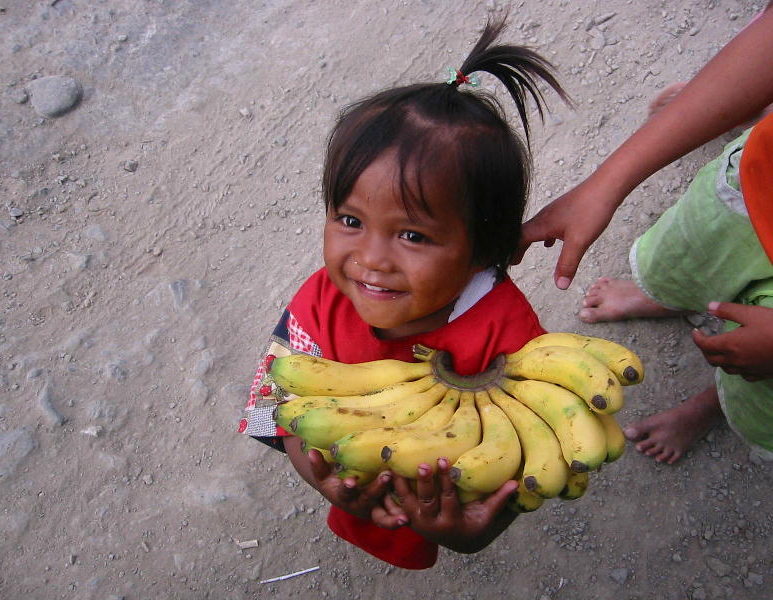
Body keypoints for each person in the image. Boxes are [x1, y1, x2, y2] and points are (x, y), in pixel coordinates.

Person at [238, 19, 568, 569]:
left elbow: (517, 458)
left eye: (412, 235)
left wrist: (466, 535)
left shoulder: (513, 341)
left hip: (440, 501)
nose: (370, 258)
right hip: (353, 481)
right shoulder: (319, 301)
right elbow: (279, 406)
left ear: (485, 248)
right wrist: (324, 481)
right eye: (349, 219)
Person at [516, 6, 773, 464]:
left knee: (759, 378)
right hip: (757, 188)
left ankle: (709, 405)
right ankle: (670, 294)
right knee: (689, 253)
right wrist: (606, 182)